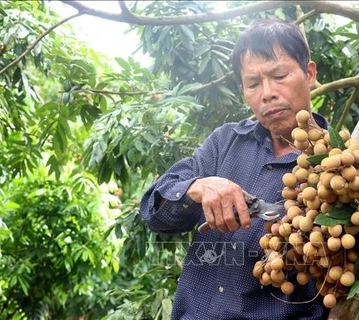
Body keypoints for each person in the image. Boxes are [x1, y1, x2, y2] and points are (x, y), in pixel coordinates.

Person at [140, 19, 329, 320]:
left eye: (279, 75)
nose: (267, 93)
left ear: (309, 74)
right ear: (243, 90)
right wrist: (197, 189)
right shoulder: (225, 142)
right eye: (253, 84)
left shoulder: (340, 172)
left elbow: (341, 278)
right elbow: (154, 211)